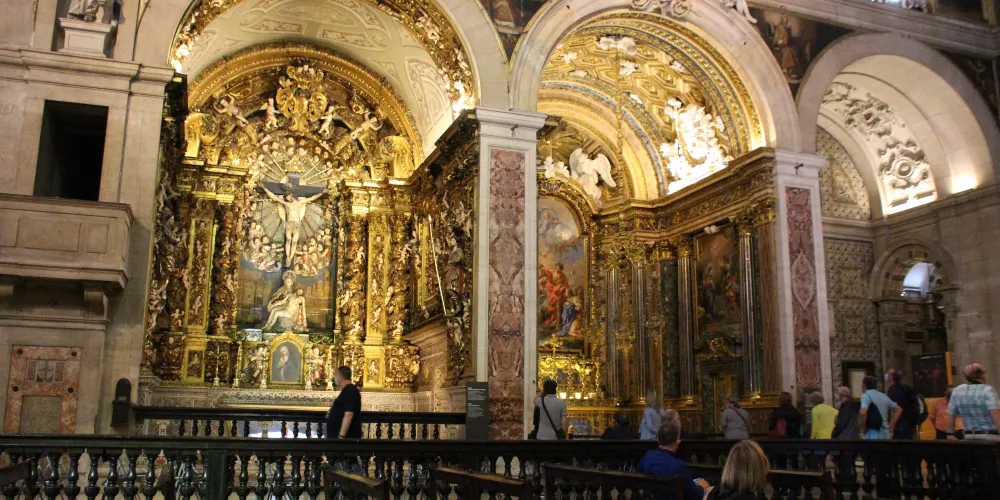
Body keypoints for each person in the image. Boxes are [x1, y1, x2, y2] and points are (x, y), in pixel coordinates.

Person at [637, 421, 710, 500]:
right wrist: (701, 486)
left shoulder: (648, 456)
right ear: (677, 442)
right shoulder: (678, 465)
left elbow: (638, 477)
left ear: (658, 439)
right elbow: (696, 495)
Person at [947, 363, 1000, 441]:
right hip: (989, 436)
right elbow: (995, 412)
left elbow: (951, 413)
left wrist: (950, 434)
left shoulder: (957, 390)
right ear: (982, 375)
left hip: (968, 437)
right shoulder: (988, 390)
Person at [860, 375, 902, 440]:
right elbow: (899, 410)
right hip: (885, 433)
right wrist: (890, 426)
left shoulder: (865, 395)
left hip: (872, 433)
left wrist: (863, 428)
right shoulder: (884, 396)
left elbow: (863, 413)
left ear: (864, 385)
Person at [326, 366, 362, 440]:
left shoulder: (350, 390)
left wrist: (341, 436)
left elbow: (349, 414)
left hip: (347, 438)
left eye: (336, 375)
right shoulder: (347, 389)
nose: (335, 377)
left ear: (340, 376)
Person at [885, 369, 916, 440]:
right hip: (908, 424)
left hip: (899, 426)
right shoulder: (903, 388)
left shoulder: (893, 390)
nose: (887, 376)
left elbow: (895, 411)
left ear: (892, 377)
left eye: (888, 374)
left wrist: (890, 428)